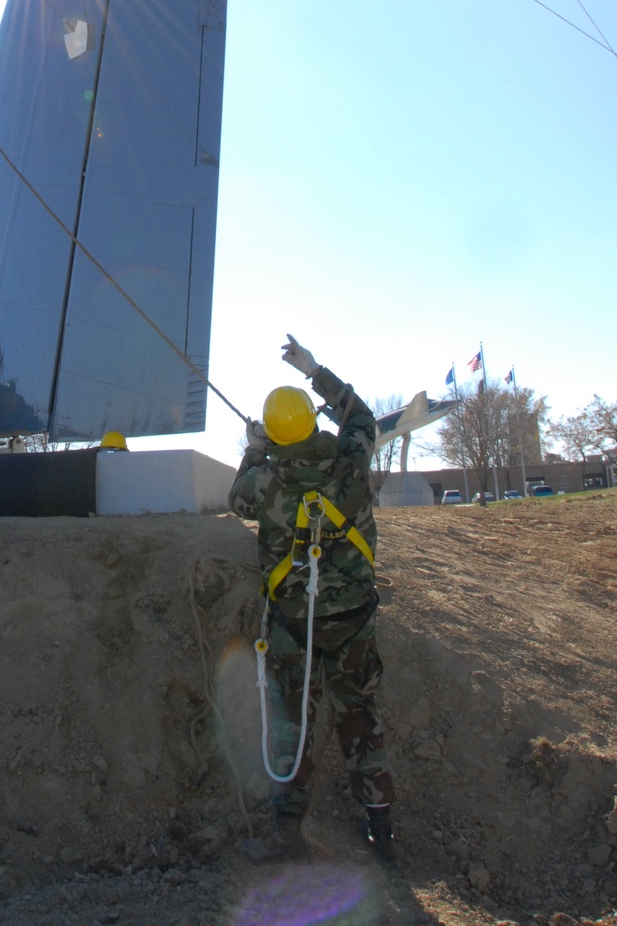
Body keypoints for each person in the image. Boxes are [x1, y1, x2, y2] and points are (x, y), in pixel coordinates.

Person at [228, 333, 396, 865]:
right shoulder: (351, 461)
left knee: (293, 721)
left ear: (277, 435)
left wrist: (256, 448)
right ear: (312, 422)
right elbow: (363, 418)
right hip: (352, 619)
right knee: (359, 714)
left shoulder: (265, 482)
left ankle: (286, 833)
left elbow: (236, 497)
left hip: (293, 623)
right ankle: (381, 831)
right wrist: (315, 371)